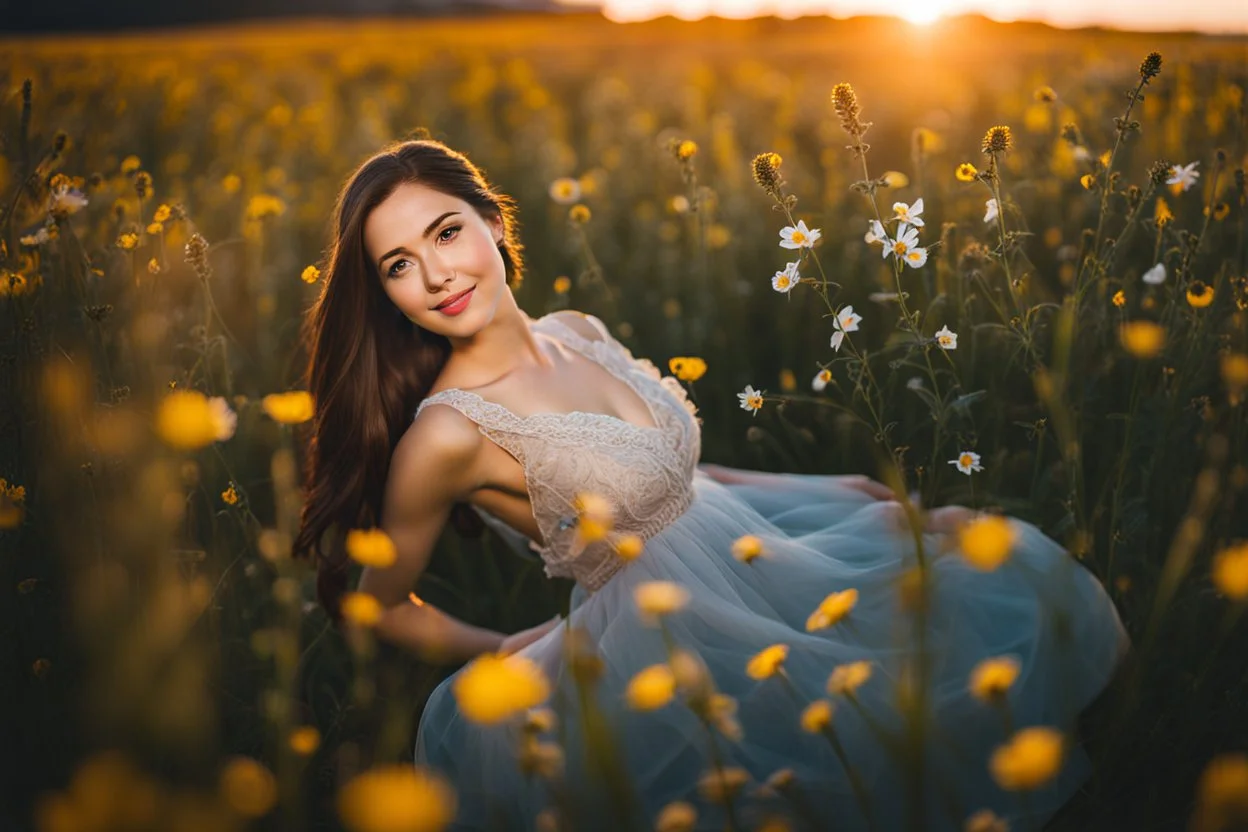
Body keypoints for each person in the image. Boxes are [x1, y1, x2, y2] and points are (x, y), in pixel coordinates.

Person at [294, 138, 1130, 832]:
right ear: (387, 295)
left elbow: (676, 474)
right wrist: (500, 650)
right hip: (667, 639)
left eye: (445, 234)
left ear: (491, 220)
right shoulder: (448, 432)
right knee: (822, 774)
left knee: (963, 577)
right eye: (399, 265)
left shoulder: (575, 331)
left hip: (743, 537)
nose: (435, 276)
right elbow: (372, 603)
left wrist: (828, 487)